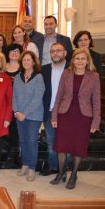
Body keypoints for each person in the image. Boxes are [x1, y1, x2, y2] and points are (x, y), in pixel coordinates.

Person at [50, 48, 100, 189]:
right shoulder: (66, 73)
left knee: (78, 147)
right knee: (61, 146)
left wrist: (96, 121)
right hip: (65, 115)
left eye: (83, 59)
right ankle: (61, 173)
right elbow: (58, 96)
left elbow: (96, 101)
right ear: (73, 60)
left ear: (87, 60)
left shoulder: (94, 77)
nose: (80, 61)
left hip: (83, 117)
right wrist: (54, 116)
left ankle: (74, 175)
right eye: (77, 58)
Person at [13, 51, 45, 182]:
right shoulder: (17, 77)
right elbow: (13, 96)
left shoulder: (38, 77)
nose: (26, 62)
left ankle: (32, 168)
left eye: (28, 60)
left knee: (32, 141)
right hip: (19, 115)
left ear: (33, 62)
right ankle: (25, 165)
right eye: (24, 60)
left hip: (33, 115)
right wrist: (16, 112)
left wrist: (24, 113)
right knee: (23, 141)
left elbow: (38, 98)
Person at [40, 42, 68, 176]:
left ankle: (64, 170)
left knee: (65, 143)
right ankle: (53, 167)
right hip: (49, 112)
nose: (55, 53)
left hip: (66, 112)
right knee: (51, 142)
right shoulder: (44, 69)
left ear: (65, 53)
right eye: (52, 51)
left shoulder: (71, 68)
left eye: (58, 50)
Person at [3, 43, 23, 168]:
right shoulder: (2, 68)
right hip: (4, 103)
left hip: (20, 103)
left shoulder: (24, 67)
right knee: (8, 130)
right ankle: (10, 152)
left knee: (17, 130)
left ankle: (15, 154)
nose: (14, 53)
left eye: (17, 51)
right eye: (11, 51)